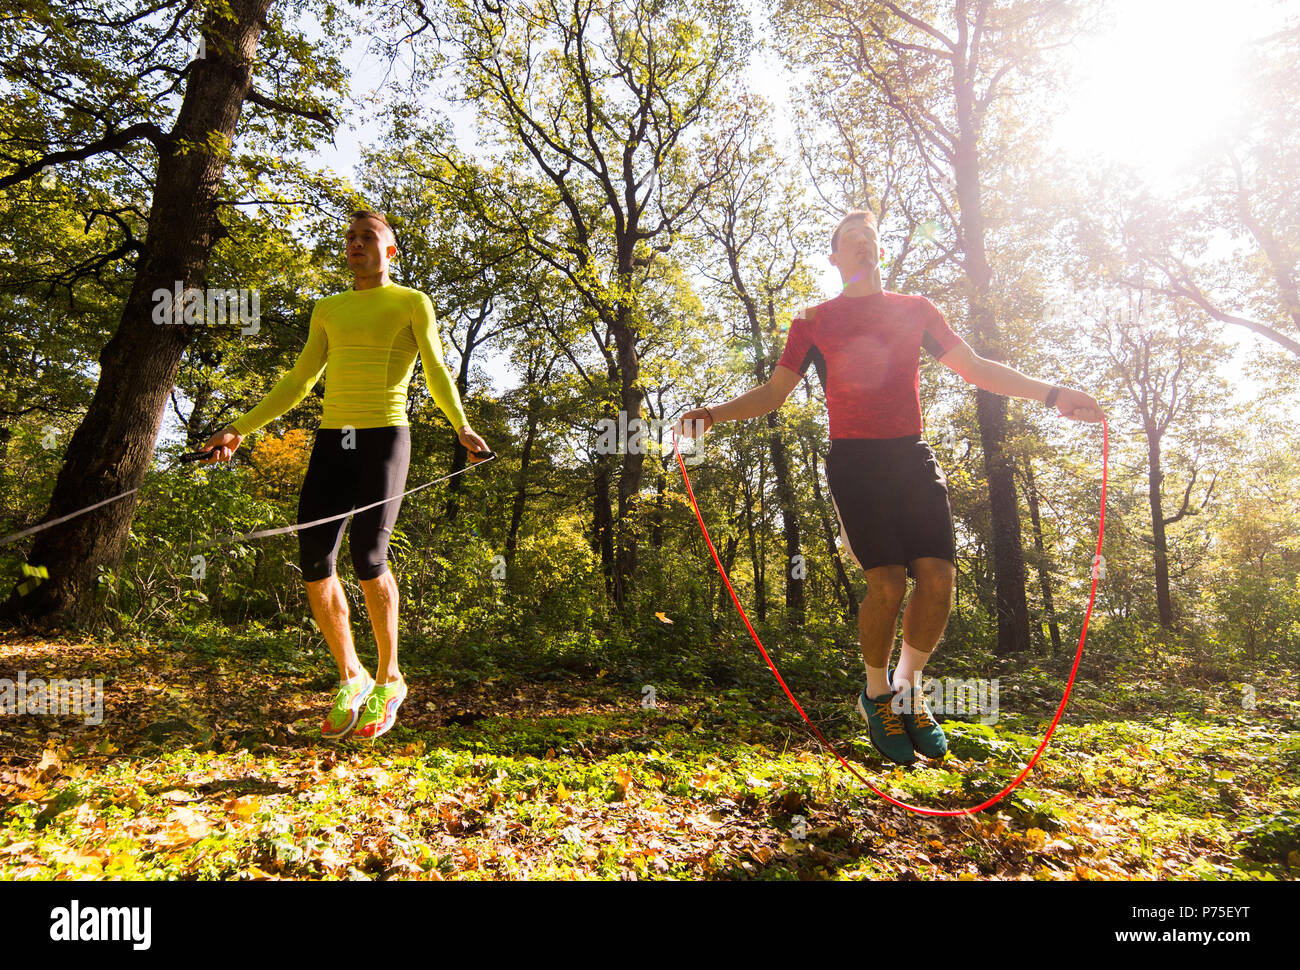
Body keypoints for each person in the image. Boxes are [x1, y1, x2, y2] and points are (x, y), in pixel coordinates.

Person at [675, 209, 1104, 765]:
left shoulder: (915, 311)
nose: (861, 243)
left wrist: (1054, 394)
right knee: (887, 584)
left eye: (869, 237)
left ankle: (909, 687)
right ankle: (875, 693)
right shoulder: (812, 320)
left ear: (877, 251)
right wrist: (713, 414)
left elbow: (975, 368)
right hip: (855, 462)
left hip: (911, 454)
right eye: (849, 238)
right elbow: (775, 392)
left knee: (939, 578)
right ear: (833, 257)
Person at [202, 210, 491, 741]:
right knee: (314, 557)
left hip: (384, 436)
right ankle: (349, 674)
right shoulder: (329, 309)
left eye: (368, 238)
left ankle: (391, 676)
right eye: (350, 238)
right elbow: (300, 379)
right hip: (333, 440)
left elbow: (435, 368)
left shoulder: (411, 302)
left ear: (391, 251)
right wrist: (238, 428)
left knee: (369, 554)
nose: (356, 245)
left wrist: (461, 426)